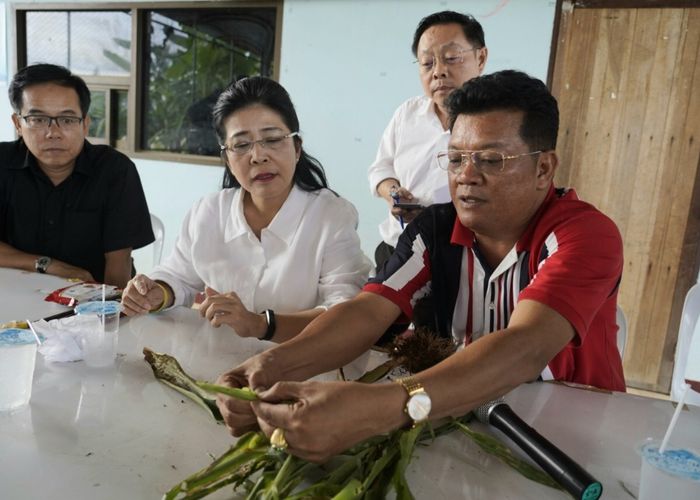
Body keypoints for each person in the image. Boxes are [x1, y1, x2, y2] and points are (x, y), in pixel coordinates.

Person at [214, 70, 626, 463]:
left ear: (543, 168)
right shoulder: (436, 229)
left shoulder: (585, 235)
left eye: (491, 160)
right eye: (455, 158)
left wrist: (384, 406)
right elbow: (368, 311)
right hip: (463, 415)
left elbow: (525, 347)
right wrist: (272, 365)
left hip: (573, 436)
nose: (466, 176)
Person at [121, 77, 371, 342]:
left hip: (300, 369)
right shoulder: (209, 212)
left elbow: (344, 312)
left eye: (272, 139)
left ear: (297, 148)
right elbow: (177, 276)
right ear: (227, 158)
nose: (258, 156)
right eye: (241, 145)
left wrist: (260, 324)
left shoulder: (331, 216)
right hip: (216, 364)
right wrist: (156, 292)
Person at [0, 64, 154, 288]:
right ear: (18, 124)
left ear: (85, 125)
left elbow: (118, 265)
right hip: (13, 298)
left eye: (68, 120)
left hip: (89, 305)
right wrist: (48, 264)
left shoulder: (114, 171)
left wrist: (109, 314)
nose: (53, 133)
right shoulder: (3, 163)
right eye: (38, 119)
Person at [368, 11, 487, 269]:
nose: (439, 72)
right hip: (397, 249)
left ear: (481, 58)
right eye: (427, 63)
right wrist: (393, 194)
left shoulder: (492, 125)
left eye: (452, 58)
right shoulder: (408, 113)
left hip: (457, 258)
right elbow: (381, 169)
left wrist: (433, 218)